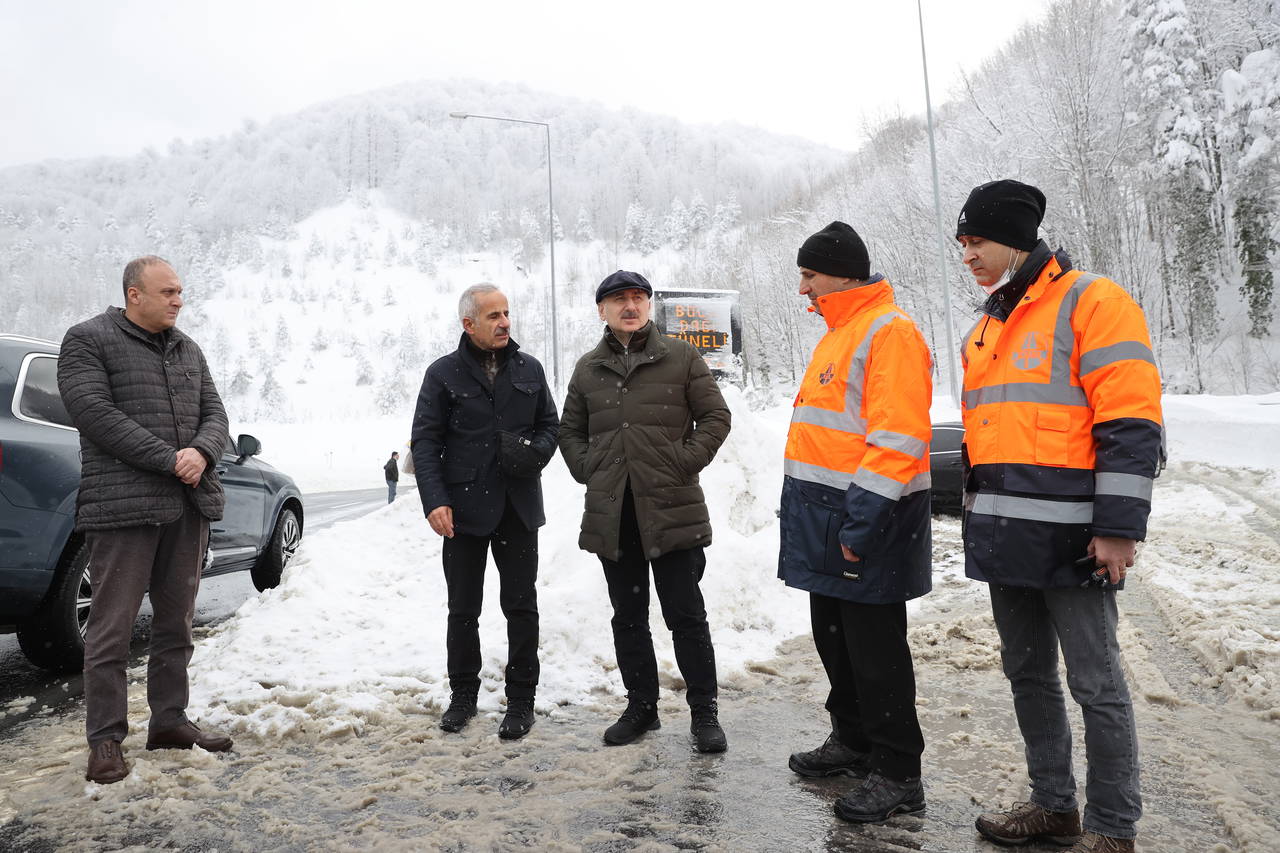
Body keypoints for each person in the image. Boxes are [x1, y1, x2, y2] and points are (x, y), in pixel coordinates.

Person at [955, 180, 1163, 853]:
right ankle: (1053, 804)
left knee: (1095, 681)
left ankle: (1112, 824)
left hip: (1076, 539)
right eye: (961, 242)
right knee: (1028, 674)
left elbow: (1131, 422)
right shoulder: (984, 327)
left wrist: (1119, 526)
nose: (968, 254)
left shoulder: (1092, 302)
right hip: (1004, 537)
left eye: (976, 240)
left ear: (1015, 237)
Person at [777, 222, 934, 823]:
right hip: (827, 520)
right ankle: (853, 740)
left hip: (868, 521)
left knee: (877, 652)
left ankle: (898, 771)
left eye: (809, 276)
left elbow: (895, 442)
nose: (803, 290)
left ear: (841, 273)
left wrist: (861, 527)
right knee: (835, 640)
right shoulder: (840, 333)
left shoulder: (888, 333)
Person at [57, 256, 234, 785]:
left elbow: (216, 413)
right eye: (169, 292)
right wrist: (169, 458)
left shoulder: (189, 349)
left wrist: (201, 452)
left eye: (181, 292)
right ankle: (106, 740)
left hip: (187, 504)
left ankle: (170, 721)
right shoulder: (88, 340)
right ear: (135, 294)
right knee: (110, 629)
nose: (179, 300)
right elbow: (93, 413)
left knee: (176, 622)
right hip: (124, 508)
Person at [559, 270, 732, 753]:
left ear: (648, 305)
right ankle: (642, 707)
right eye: (618, 300)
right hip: (614, 516)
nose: (629, 306)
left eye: (637, 298)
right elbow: (568, 430)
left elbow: (716, 417)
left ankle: (705, 713)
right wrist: (588, 467)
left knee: (686, 616)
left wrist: (682, 460)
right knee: (628, 617)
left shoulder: (680, 356)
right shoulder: (588, 368)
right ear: (602, 310)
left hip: (673, 510)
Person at [410, 283, 558, 739]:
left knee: (521, 607)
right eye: (493, 316)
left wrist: (532, 452)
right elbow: (425, 440)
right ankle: (463, 697)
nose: (505, 323)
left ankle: (521, 701)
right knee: (463, 610)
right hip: (463, 511)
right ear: (469, 323)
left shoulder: (528, 368)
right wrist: (435, 500)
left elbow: (550, 426)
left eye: (507, 313)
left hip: (517, 508)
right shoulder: (443, 374)